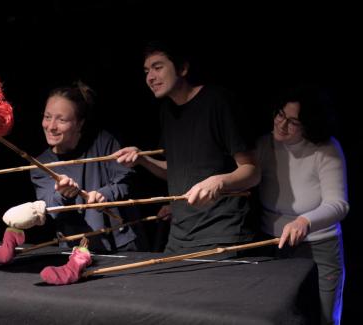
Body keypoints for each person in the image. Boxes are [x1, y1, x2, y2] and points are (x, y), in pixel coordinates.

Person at [115, 40, 260, 254]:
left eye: (158, 67)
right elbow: (176, 172)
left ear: (182, 68)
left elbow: (253, 172)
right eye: (147, 71)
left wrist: (218, 181)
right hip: (180, 236)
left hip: (223, 234)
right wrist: (142, 159)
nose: (150, 77)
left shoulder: (217, 101)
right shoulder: (167, 111)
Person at [255, 86, 349, 325]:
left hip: (320, 247)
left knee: (325, 318)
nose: (282, 125)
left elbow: (338, 204)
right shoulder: (264, 145)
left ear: (309, 124)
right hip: (274, 244)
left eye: (293, 121)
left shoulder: (325, 148)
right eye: (280, 115)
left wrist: (304, 221)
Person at [30, 81, 146, 253]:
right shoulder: (41, 164)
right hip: (75, 249)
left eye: (61, 119)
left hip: (121, 245)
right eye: (47, 117)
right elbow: (49, 207)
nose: (51, 126)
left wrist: (104, 195)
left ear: (79, 123)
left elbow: (126, 183)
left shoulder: (103, 142)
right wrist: (62, 193)